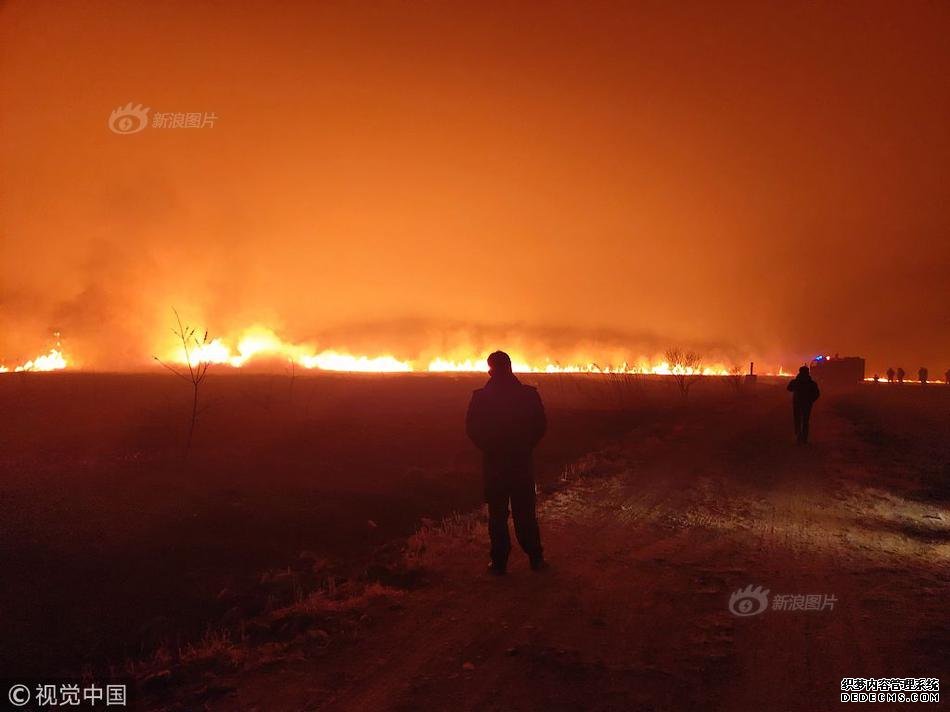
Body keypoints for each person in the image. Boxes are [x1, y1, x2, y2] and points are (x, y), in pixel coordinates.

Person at [466, 351, 547, 574]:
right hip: (520, 463)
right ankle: (536, 558)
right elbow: (540, 426)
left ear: (490, 370)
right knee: (525, 512)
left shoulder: (481, 397)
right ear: (510, 368)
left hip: (495, 466)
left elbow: (472, 429)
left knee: (498, 516)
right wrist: (525, 446)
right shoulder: (528, 395)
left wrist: (490, 448)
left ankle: (499, 563)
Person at [787, 365, 820, 444]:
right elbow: (817, 394)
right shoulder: (811, 383)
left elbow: (789, 388)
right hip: (807, 405)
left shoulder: (796, 382)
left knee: (797, 420)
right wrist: (811, 400)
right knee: (805, 421)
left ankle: (799, 436)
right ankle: (804, 439)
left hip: (797, 404)